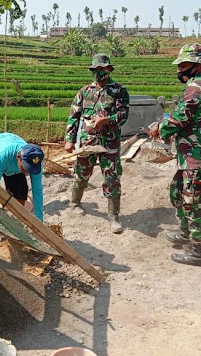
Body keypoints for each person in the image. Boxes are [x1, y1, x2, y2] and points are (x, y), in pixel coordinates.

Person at [150, 43, 201, 266]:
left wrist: (160, 129)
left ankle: (198, 251)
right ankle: (185, 232)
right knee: (178, 191)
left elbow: (181, 118)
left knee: (195, 202)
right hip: (194, 154)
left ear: (196, 64)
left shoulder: (197, 86)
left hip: (200, 155)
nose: (179, 70)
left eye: (183, 65)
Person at [64, 53, 130, 234]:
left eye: (103, 69)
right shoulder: (84, 92)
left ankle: (113, 217)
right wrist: (69, 139)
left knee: (112, 177)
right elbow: (74, 116)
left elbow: (123, 116)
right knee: (81, 172)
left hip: (110, 143)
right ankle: (74, 203)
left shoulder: (119, 91)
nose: (99, 73)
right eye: (96, 70)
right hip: (88, 141)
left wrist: (106, 120)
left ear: (109, 69)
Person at [0, 133, 44, 254]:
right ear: (19, 157)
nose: (28, 173)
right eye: (25, 169)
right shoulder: (2, 155)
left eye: (30, 171)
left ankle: (14, 230)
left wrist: (39, 223)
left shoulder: (35, 162)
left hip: (12, 166)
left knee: (21, 194)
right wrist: (0, 211)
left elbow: (37, 191)